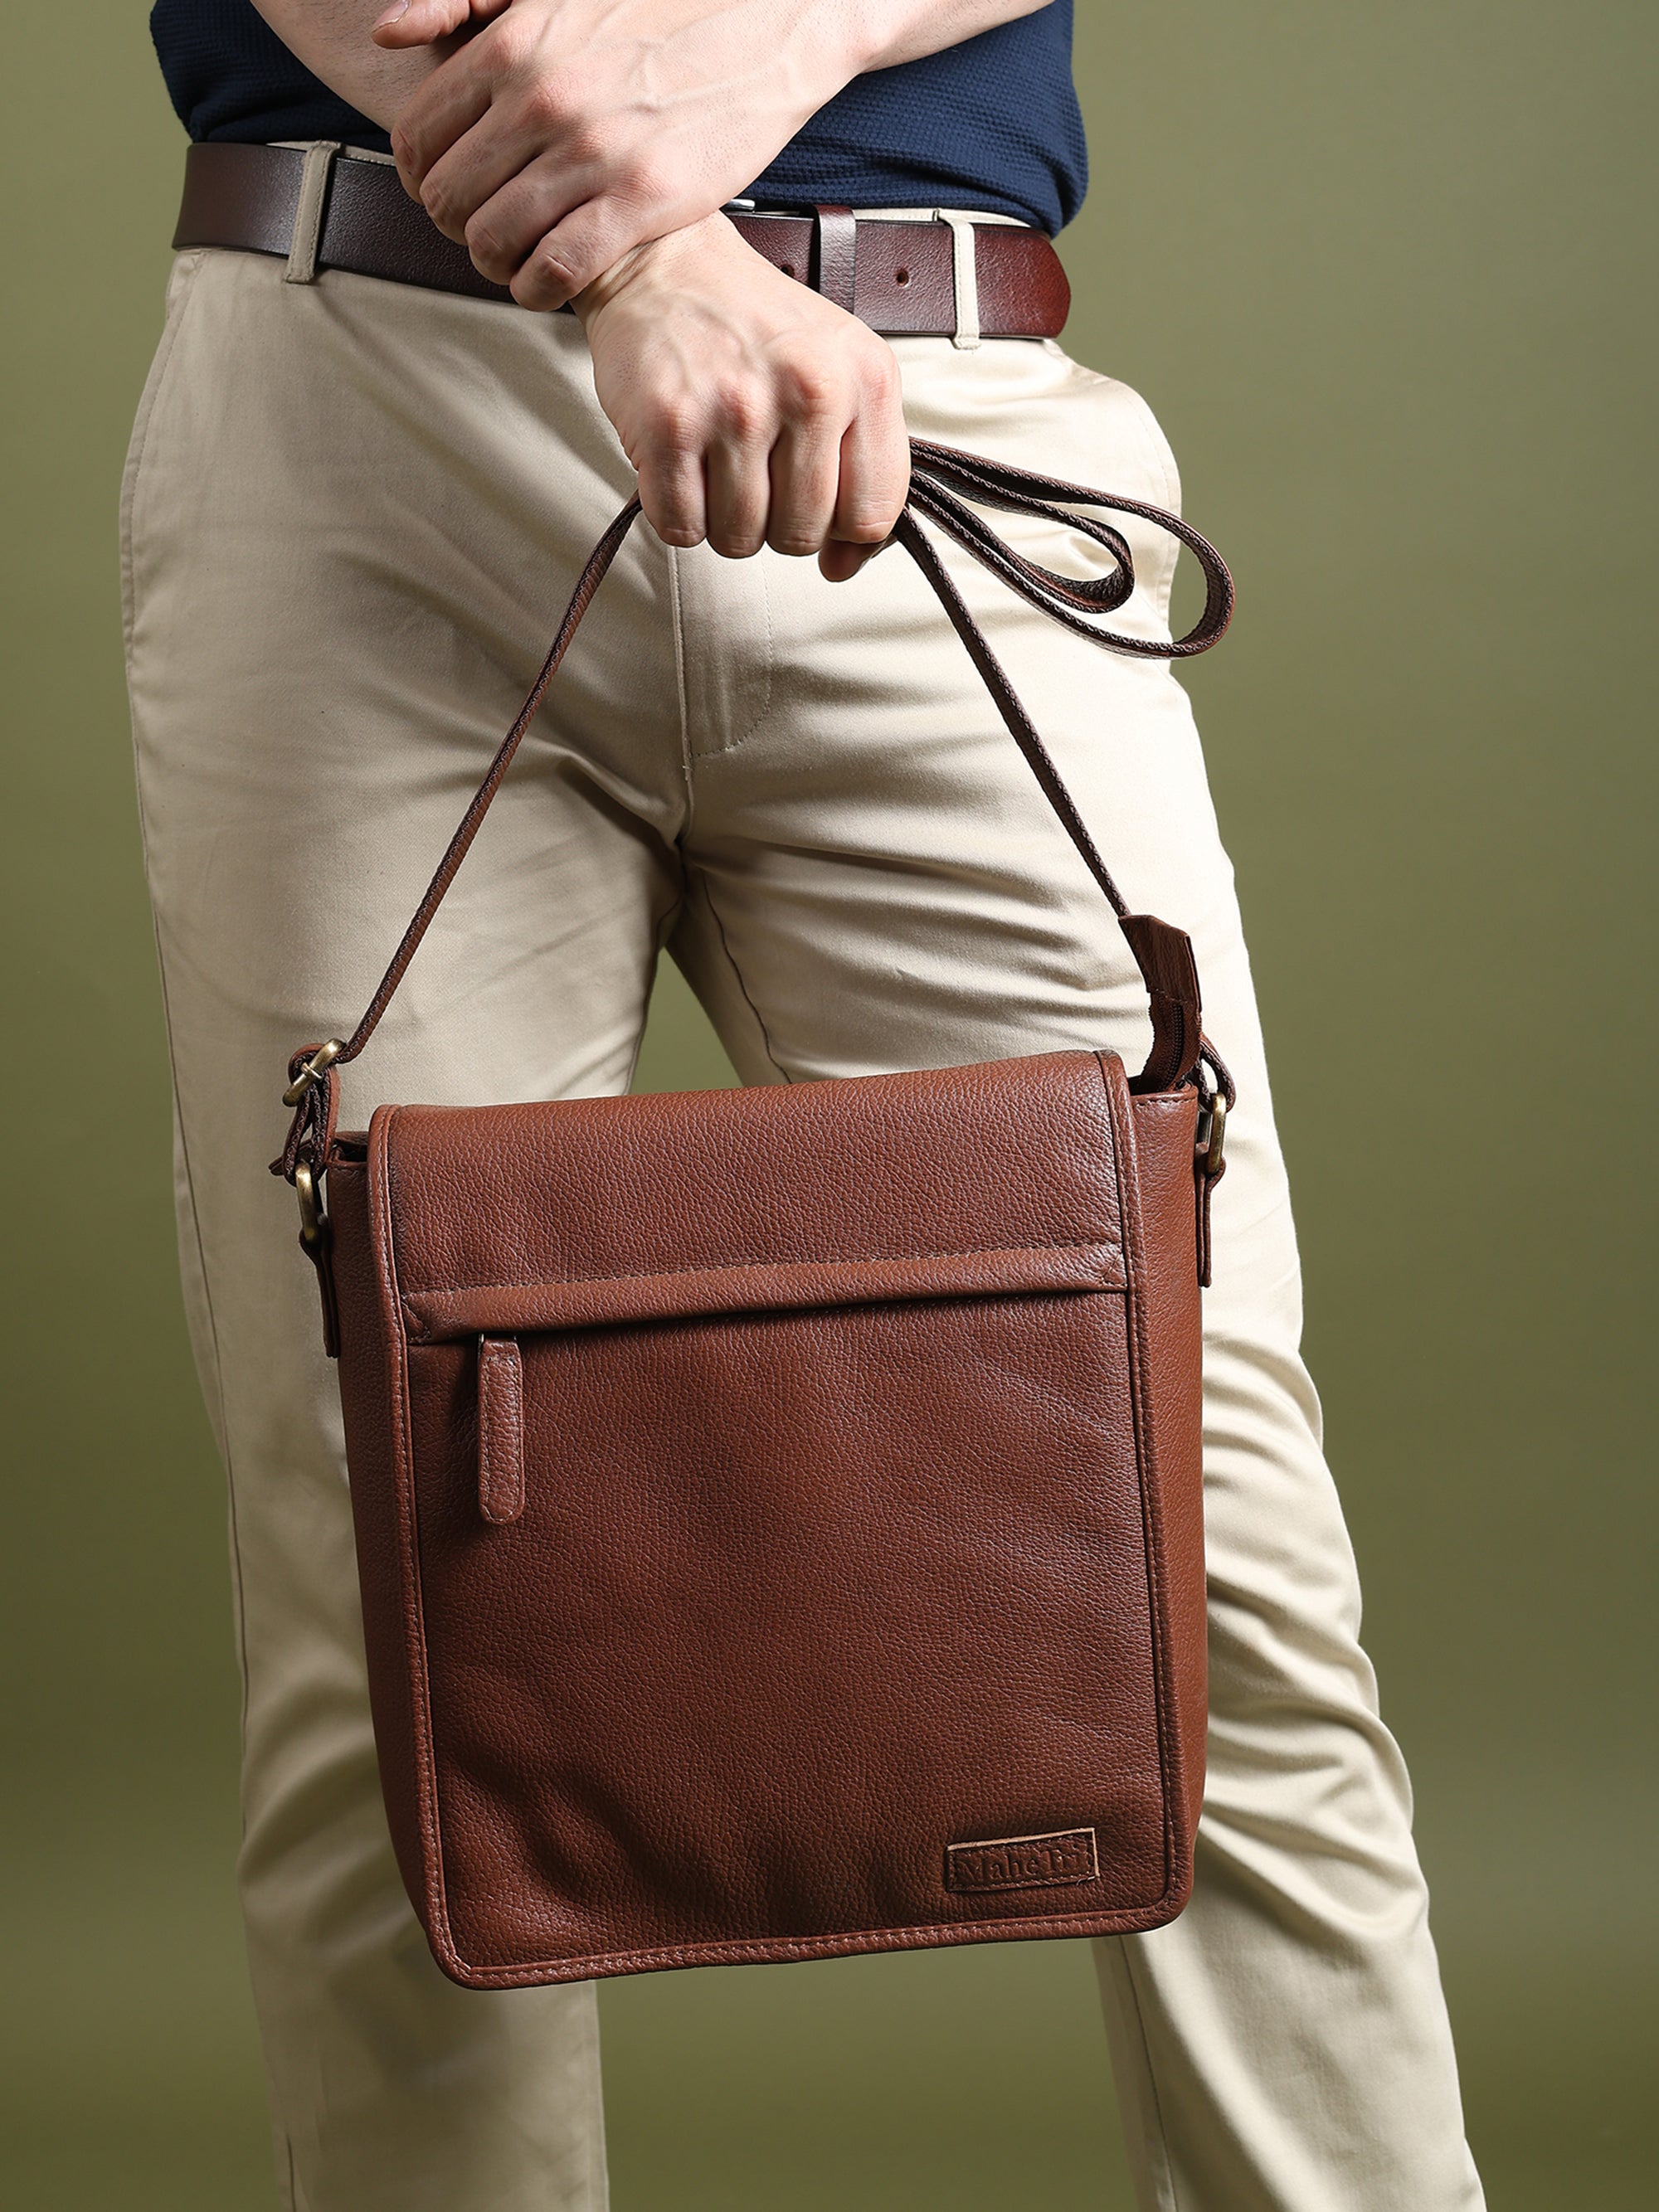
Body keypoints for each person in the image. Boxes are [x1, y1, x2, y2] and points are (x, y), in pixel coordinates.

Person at [124, 3, 1487, 2207]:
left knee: (1205, 1572)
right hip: (366, 421)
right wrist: (648, 252)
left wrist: (779, 40)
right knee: (392, 1607)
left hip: (925, 411)